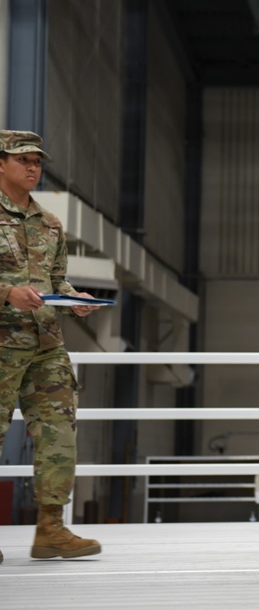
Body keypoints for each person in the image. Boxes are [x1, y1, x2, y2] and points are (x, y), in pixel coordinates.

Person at [0, 130, 102, 563]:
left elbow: (55, 280)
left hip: (46, 346)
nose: (33, 168)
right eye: (23, 160)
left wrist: (74, 298)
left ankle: (51, 529)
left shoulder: (49, 222)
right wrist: (7, 293)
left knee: (59, 437)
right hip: (3, 345)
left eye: (37, 161)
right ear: (1, 163)